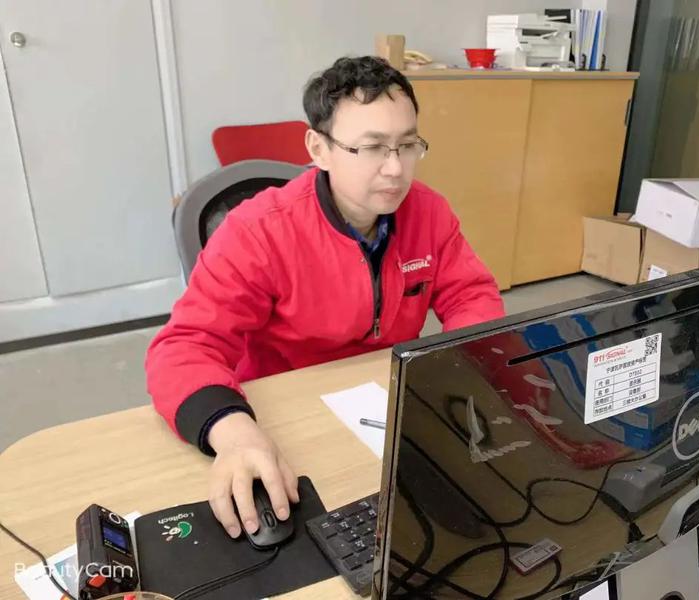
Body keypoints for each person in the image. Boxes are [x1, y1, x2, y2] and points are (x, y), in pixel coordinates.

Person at [145, 56, 505, 540]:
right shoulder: (258, 231)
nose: (395, 169)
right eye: (372, 148)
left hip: (386, 408)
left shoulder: (429, 212)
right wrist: (233, 433)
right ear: (319, 148)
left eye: (407, 145)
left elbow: (471, 295)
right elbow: (184, 347)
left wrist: (458, 375)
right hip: (283, 417)